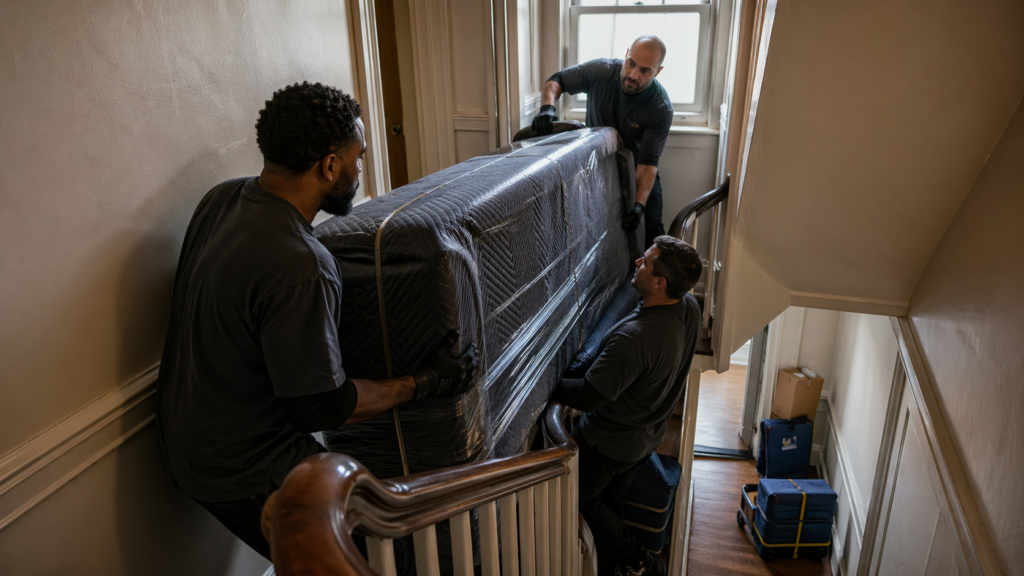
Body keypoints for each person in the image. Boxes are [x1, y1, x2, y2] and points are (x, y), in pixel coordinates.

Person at [155, 82, 477, 560]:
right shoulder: (302, 264)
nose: (361, 169)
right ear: (329, 166)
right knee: (382, 556)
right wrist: (424, 381)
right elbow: (322, 407)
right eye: (358, 157)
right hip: (241, 465)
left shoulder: (221, 199)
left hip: (182, 436)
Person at [552, 235, 703, 576]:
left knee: (579, 498)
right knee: (612, 505)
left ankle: (639, 560)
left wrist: (545, 386)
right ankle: (612, 568)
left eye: (645, 262)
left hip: (608, 443)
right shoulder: (689, 307)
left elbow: (588, 397)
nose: (637, 262)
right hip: (645, 438)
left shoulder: (635, 339)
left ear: (660, 283)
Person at [532, 35, 673, 251]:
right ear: (626, 54)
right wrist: (547, 108)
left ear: (658, 72)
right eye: (631, 63)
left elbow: (647, 164)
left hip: (637, 170)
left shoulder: (660, 106)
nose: (633, 75)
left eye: (645, 71)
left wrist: (638, 206)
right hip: (595, 166)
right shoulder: (600, 71)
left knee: (651, 230)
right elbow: (558, 79)